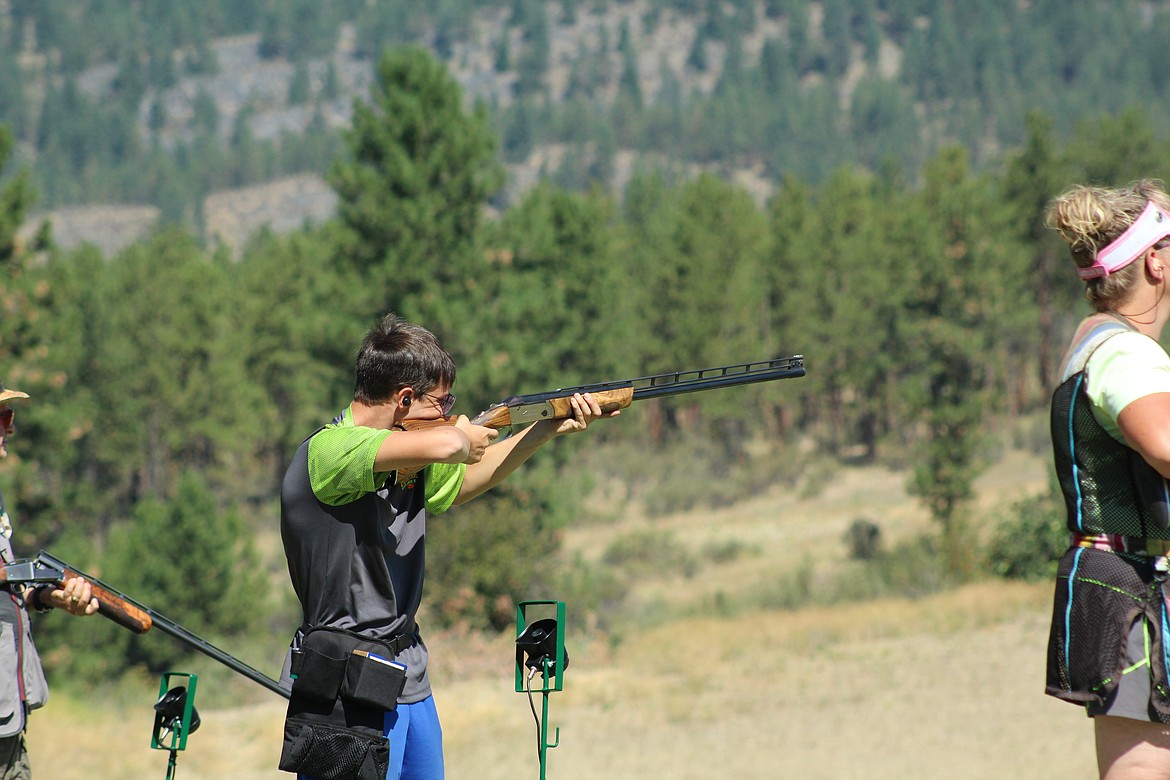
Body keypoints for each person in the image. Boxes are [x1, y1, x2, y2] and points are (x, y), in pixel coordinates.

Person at [278, 313, 615, 780]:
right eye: (440, 402)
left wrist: (544, 428)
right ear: (404, 399)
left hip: (408, 671)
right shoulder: (329, 451)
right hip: (347, 683)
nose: (446, 411)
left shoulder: (405, 456)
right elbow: (450, 445)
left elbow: (461, 482)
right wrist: (459, 435)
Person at [1046, 180, 1170, 779]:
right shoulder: (1127, 355)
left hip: (1120, 583)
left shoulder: (1099, 339)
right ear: (1155, 259)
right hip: (1137, 593)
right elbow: (1167, 447)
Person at [0, 381, 98, 779]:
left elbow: (8, 588)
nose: (10, 429)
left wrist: (50, 597)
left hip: (8, 717)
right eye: (2, 418)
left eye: (8, 417)